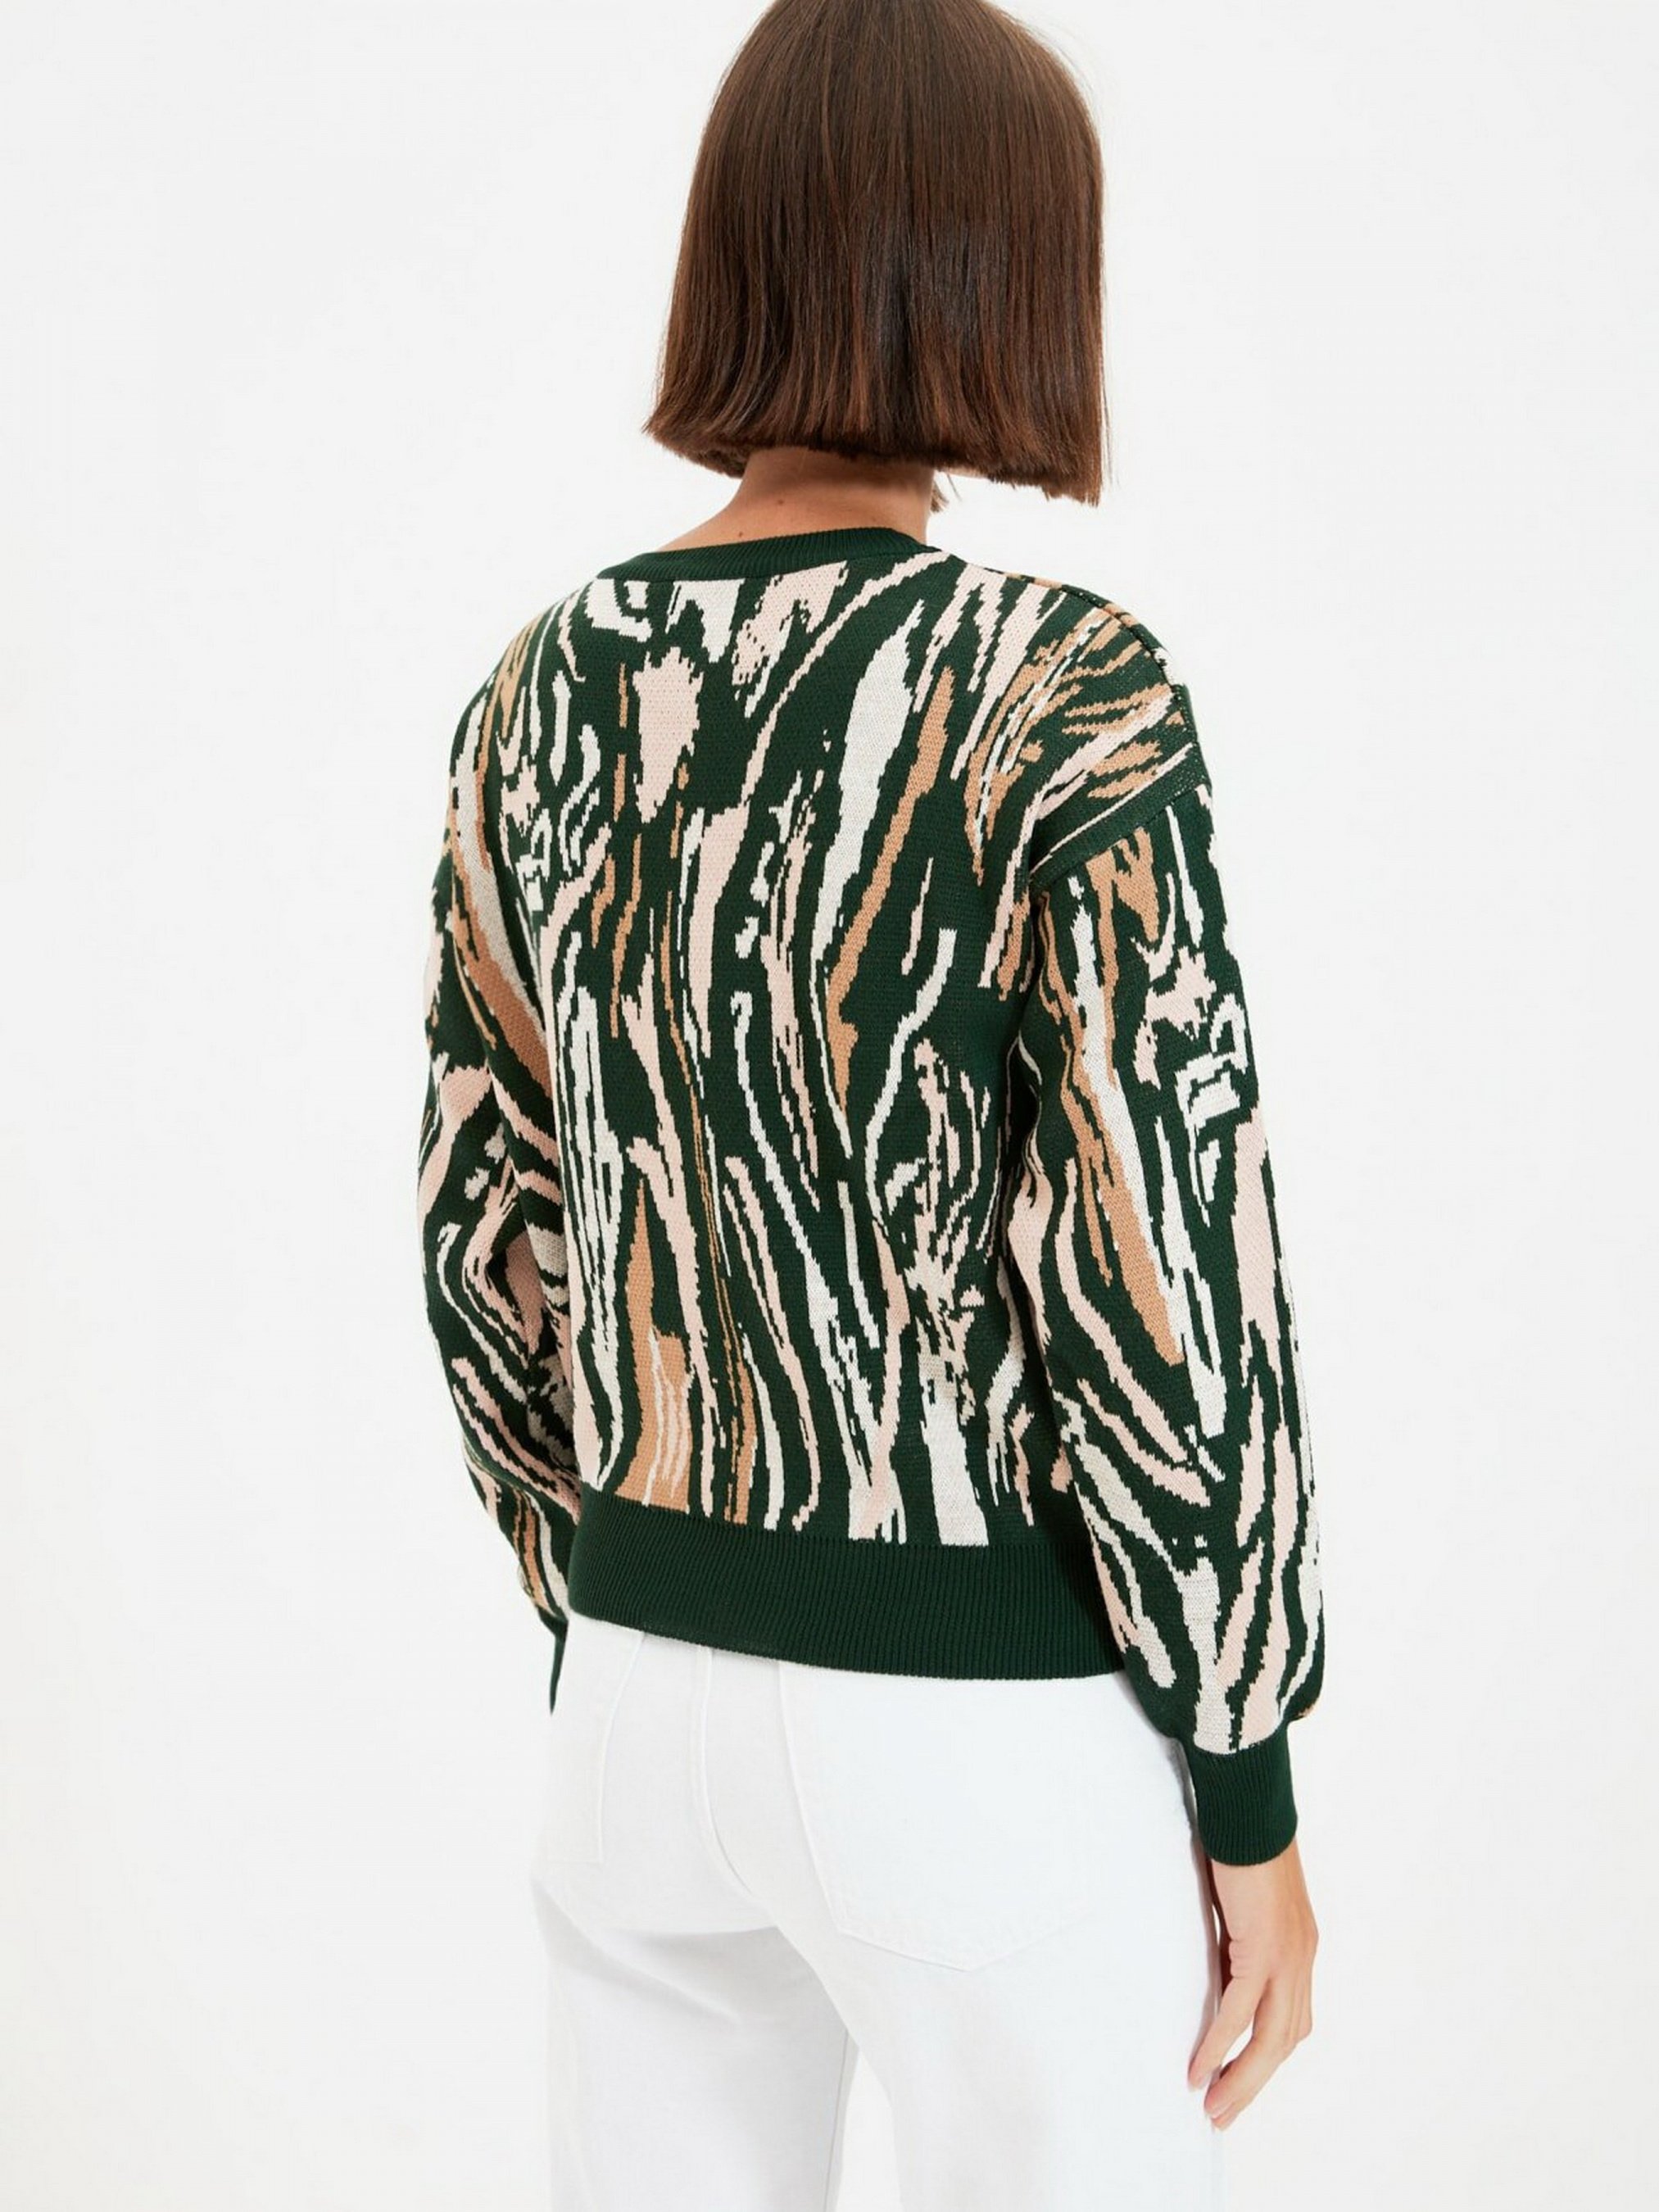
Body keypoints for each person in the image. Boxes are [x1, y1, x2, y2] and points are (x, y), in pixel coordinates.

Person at [415, 1, 1324, 2205]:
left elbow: (482, 1217)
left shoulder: (547, 680)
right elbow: (1159, 1266)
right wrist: (1245, 1780)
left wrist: (609, 1588)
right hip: (975, 1715)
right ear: (1009, 276)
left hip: (635, 1702)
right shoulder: (1057, 691)